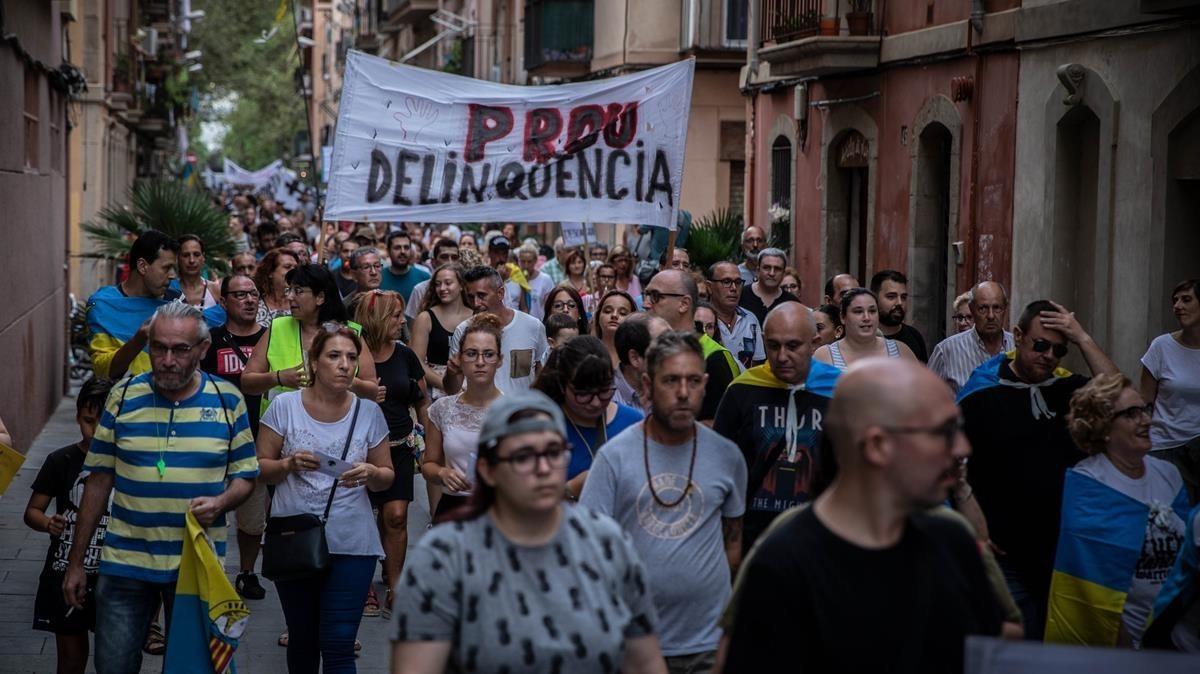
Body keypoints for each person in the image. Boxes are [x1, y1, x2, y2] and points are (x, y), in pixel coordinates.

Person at [722, 359, 1002, 672]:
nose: (962, 448)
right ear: (878, 445)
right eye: (943, 431)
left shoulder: (954, 544)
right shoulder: (783, 563)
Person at [390, 391, 667, 674]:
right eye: (523, 456)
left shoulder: (607, 545)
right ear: (487, 470)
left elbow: (644, 661)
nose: (544, 468)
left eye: (553, 452)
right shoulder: (443, 558)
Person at [63, 303, 259, 673]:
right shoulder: (123, 396)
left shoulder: (226, 399)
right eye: (158, 348)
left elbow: (246, 476)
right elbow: (99, 479)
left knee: (194, 668)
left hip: (198, 568)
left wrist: (221, 502)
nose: (167, 359)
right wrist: (76, 563)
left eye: (180, 349)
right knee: (113, 666)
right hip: (125, 565)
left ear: (202, 349)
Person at [581, 330, 746, 672]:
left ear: (706, 383)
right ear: (646, 385)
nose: (684, 393)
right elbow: (588, 551)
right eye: (671, 381)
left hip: (708, 645)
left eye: (693, 381)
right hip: (634, 647)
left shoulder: (727, 456)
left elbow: (733, 544)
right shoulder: (614, 458)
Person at [957, 299, 1118, 639]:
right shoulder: (982, 393)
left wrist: (1083, 338)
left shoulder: (1067, 390)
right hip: (1005, 553)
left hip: (1062, 551)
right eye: (1040, 345)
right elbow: (954, 467)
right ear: (1017, 336)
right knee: (1016, 645)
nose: (1049, 356)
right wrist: (973, 525)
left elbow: (1117, 395)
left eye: (1059, 350)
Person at [256, 326, 394, 672]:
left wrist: (371, 473)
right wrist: (288, 463)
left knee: (339, 643)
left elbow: (386, 475)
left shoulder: (369, 413)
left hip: (352, 543)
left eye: (350, 357)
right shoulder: (284, 405)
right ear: (313, 362)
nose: (344, 365)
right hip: (295, 540)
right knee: (303, 639)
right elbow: (259, 468)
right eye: (334, 356)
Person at [1043, 374, 1189, 648]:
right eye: (1132, 414)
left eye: (1144, 410)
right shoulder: (1089, 483)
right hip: (1120, 641)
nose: (1147, 420)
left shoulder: (1169, 474)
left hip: (1177, 634)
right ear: (1104, 426)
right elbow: (1089, 589)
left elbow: (1189, 560)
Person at [713, 303, 840, 553]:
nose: (782, 356)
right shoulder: (742, 390)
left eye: (793, 346)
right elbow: (720, 468)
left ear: (814, 343)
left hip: (821, 541)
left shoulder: (841, 392)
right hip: (753, 540)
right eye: (773, 345)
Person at [24, 377, 115, 674]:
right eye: (88, 421)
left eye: (103, 423)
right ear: (77, 416)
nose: (94, 431)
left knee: (113, 658)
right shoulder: (60, 460)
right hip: (63, 574)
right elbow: (33, 511)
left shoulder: (128, 464)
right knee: (71, 658)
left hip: (114, 580)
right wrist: (48, 522)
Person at [355, 290, 429, 619]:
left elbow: (421, 398)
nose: (402, 322)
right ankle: (363, 583)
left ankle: (396, 584)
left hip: (399, 444)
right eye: (395, 316)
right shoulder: (351, 353)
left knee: (395, 515)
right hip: (359, 448)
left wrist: (429, 438)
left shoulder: (405, 355)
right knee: (363, 518)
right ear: (376, 318)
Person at [199, 274, 270, 601]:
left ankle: (246, 572)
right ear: (224, 301)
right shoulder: (209, 340)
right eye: (239, 294)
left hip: (258, 440)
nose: (249, 300)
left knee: (252, 519)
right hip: (214, 440)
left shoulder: (273, 339)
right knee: (207, 509)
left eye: (253, 294)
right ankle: (205, 568)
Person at [242, 264, 379, 413]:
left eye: (298, 291)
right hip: (281, 429)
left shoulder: (351, 333)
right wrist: (278, 378)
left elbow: (372, 392)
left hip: (336, 428)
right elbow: (247, 382)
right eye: (289, 290)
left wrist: (345, 379)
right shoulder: (277, 327)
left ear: (320, 297)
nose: (289, 297)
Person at [535, 335, 643, 500]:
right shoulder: (541, 428)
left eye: (604, 391)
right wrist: (570, 490)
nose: (595, 403)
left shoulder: (634, 423)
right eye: (583, 394)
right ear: (562, 385)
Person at [421, 314, 504, 520]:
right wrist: (442, 474)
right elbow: (428, 464)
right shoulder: (443, 408)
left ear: (500, 360)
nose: (480, 362)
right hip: (454, 506)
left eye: (488, 354)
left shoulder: (514, 411)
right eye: (471, 354)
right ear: (459, 358)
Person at [643, 269, 739, 425]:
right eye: (645, 295)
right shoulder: (650, 346)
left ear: (684, 304)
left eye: (655, 296)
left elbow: (717, 424)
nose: (646, 304)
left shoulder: (715, 357)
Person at [86, 229, 182, 379]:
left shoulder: (176, 300)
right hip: (122, 398)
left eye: (173, 268)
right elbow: (102, 369)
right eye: (166, 268)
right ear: (143, 266)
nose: (173, 275)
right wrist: (138, 340)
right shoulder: (103, 304)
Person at [442, 266, 550, 396]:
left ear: (500, 294)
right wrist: (451, 373)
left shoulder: (533, 326)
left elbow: (542, 372)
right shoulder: (463, 331)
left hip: (521, 412)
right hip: (480, 414)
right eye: (471, 297)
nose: (476, 303)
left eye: (482, 296)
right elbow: (451, 389)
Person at [1140, 279, 1200, 498]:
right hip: (1164, 447)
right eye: (1175, 301)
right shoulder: (1161, 346)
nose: (1177, 306)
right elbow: (1145, 401)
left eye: (1186, 299)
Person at [928, 281, 1015, 393]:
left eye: (997, 308)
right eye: (983, 308)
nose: (991, 316)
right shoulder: (946, 351)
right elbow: (924, 397)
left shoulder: (1019, 347)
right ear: (972, 309)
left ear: (1005, 309)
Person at [409, 264, 473, 398]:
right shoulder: (425, 318)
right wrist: (447, 385)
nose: (442, 288)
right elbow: (416, 362)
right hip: (437, 389)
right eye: (438, 284)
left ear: (461, 285)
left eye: (448, 283)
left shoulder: (476, 317)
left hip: (472, 387)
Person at [814, 288, 917, 369]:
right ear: (843, 317)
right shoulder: (824, 356)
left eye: (872, 311)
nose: (867, 318)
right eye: (858, 311)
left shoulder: (901, 351)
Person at [707, 262, 764, 371]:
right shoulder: (701, 318)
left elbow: (757, 364)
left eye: (738, 282)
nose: (733, 288)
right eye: (726, 282)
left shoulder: (750, 319)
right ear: (709, 287)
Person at [613, 314, 670, 411]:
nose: (676, 353)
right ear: (635, 358)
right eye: (665, 347)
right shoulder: (603, 402)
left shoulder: (677, 392)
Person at [869, 270, 928, 362]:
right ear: (874, 298)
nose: (899, 303)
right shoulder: (864, 335)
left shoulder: (914, 336)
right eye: (891, 297)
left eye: (903, 297)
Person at [738, 248, 798, 326]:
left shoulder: (792, 302)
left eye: (777, 269)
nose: (772, 273)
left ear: (783, 273)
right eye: (767, 268)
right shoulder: (741, 296)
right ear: (758, 270)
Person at [403, 238, 460, 321]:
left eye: (454, 257)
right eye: (444, 257)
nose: (450, 262)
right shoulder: (420, 290)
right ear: (434, 262)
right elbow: (412, 326)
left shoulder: (465, 288)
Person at [506, 243, 556, 321]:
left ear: (535, 260)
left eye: (529, 262)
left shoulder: (545, 279)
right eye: (523, 261)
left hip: (540, 322)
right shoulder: (514, 279)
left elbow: (550, 306)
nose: (526, 265)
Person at [253, 248, 301, 328]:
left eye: (296, 268)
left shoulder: (302, 304)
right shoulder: (254, 304)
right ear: (270, 272)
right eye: (287, 266)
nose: (294, 271)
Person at [380, 231, 431, 301]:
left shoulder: (424, 278)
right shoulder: (379, 277)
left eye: (406, 247)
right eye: (397, 248)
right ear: (388, 251)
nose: (403, 251)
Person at [593, 290, 637, 371]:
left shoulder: (637, 358)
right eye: (608, 311)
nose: (614, 315)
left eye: (623, 313)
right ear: (598, 317)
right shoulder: (585, 351)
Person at [174, 235, 220, 308]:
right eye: (186, 255)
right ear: (177, 258)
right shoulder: (169, 289)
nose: (192, 260)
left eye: (196, 255)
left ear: (203, 257)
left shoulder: (215, 290)